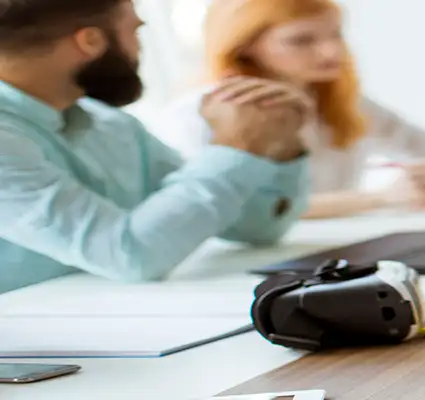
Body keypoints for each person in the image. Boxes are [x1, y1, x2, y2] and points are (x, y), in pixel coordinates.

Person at [0, 0, 312, 293]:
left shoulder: (112, 125)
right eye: (135, 30)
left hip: (113, 319)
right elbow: (130, 255)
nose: (139, 46)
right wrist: (235, 148)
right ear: (91, 42)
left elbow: (255, 227)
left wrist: (276, 141)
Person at [153, 0, 425, 220]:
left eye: (335, 34)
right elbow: (234, 215)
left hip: (334, 245)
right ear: (246, 47)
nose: (332, 51)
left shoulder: (341, 100)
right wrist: (380, 197)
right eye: (301, 40)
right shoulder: (200, 113)